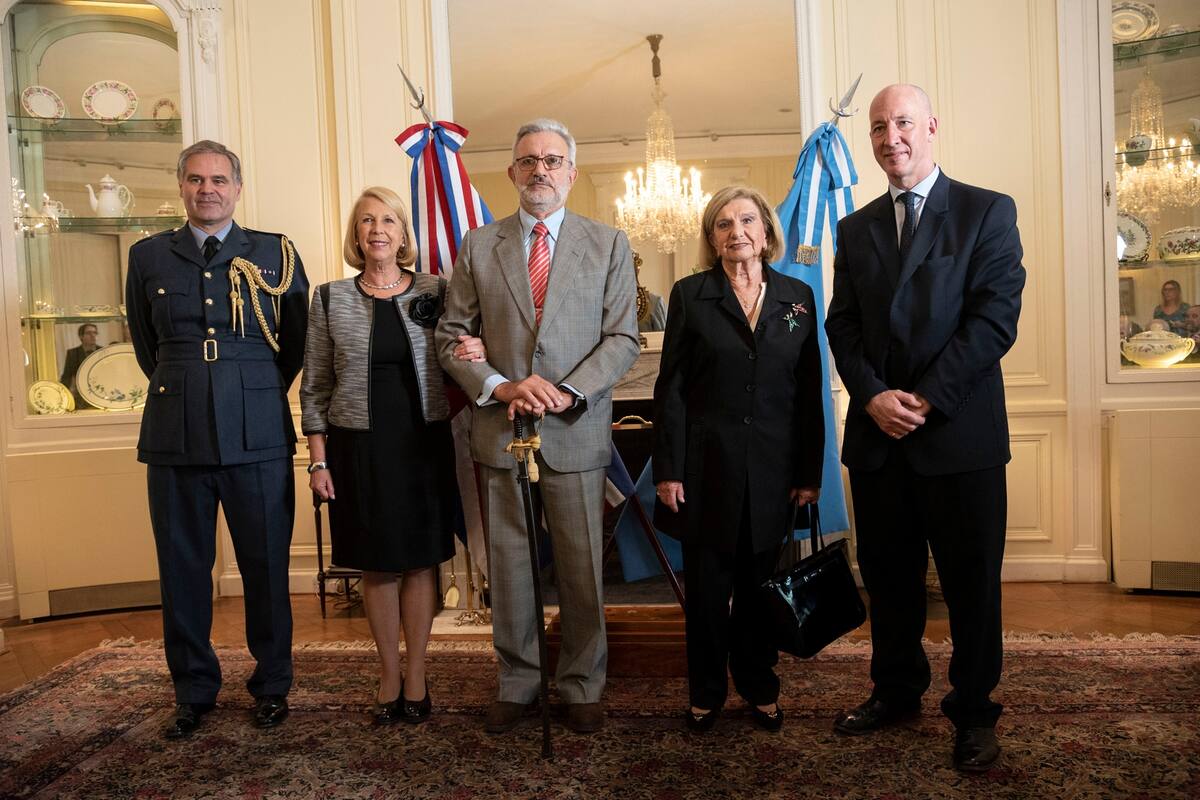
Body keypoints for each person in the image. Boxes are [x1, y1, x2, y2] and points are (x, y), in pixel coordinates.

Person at [824, 84, 1025, 772]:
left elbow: (995, 318)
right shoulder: (854, 230)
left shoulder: (986, 211)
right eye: (878, 127)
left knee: (972, 586)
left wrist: (927, 400)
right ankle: (896, 692)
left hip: (959, 436)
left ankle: (974, 713)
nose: (890, 137)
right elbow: (841, 326)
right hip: (879, 439)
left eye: (902, 122)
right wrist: (874, 396)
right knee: (889, 579)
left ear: (931, 127)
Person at [436, 118, 639, 735]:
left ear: (571, 173)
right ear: (513, 172)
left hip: (574, 430)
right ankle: (518, 681)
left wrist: (563, 390)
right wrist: (500, 385)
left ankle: (582, 685)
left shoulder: (608, 244)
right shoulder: (479, 246)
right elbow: (451, 338)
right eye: (529, 160)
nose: (541, 170)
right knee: (512, 568)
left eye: (553, 160)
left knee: (581, 568)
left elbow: (623, 338)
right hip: (501, 432)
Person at [125, 140, 310, 740]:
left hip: (257, 431)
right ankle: (193, 689)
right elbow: (147, 348)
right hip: (175, 431)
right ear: (181, 186)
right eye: (197, 179)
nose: (209, 189)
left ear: (238, 187)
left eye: (220, 180)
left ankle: (272, 685)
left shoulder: (273, 252)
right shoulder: (150, 255)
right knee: (182, 567)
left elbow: (296, 342)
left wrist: (247, 384)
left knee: (265, 566)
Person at [300, 186, 484, 725]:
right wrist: (317, 459)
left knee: (422, 559)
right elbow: (315, 386)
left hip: (423, 443)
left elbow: (463, 348)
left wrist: (477, 349)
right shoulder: (330, 297)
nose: (377, 230)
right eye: (366, 222)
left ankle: (419, 675)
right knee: (378, 565)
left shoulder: (438, 289)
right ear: (356, 235)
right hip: (357, 446)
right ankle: (387, 674)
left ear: (404, 233)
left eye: (387, 221)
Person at [653, 185, 824, 733]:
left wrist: (808, 473)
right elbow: (671, 389)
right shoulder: (690, 294)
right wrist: (669, 470)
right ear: (711, 238)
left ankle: (759, 685)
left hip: (775, 473)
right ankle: (706, 691)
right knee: (706, 593)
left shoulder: (797, 296)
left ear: (766, 230)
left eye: (747, 221)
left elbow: (807, 390)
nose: (737, 232)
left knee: (758, 593)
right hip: (706, 472)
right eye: (723, 224)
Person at [60, 322, 101, 405]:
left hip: (101, 392)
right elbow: (67, 375)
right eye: (89, 333)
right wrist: (63, 396)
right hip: (80, 394)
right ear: (81, 336)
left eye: (95, 333)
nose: (93, 335)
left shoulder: (103, 351)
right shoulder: (73, 353)